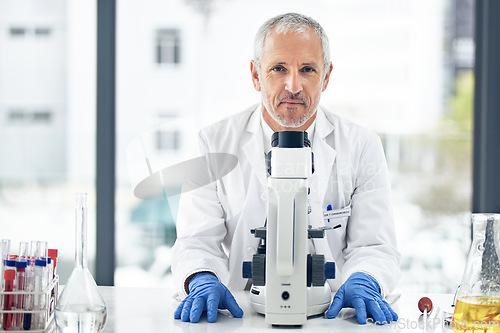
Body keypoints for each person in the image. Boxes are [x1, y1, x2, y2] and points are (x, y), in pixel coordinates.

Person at [171, 12, 400, 325]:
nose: (294, 85)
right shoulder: (213, 144)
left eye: (307, 69)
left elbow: (374, 244)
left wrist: (366, 279)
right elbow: (196, 241)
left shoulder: (361, 145)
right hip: (241, 314)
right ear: (255, 75)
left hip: (335, 313)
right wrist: (202, 278)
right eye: (278, 69)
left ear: (326, 76)